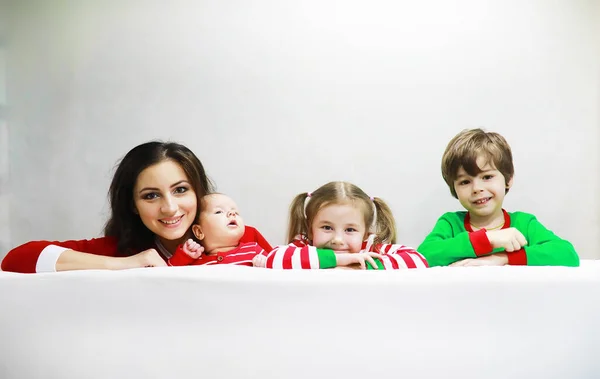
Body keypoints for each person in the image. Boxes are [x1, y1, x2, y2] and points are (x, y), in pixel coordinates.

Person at [1, 141, 272, 273]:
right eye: (151, 196)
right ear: (132, 204)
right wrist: (129, 263)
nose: (170, 208)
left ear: (198, 192)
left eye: (180, 190)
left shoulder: (240, 236)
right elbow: (17, 259)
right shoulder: (122, 250)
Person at [418, 128, 579, 267]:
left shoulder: (524, 223)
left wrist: (504, 259)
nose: (477, 188)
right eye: (465, 181)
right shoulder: (451, 224)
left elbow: (567, 254)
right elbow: (423, 256)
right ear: (454, 188)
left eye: (487, 177)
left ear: (508, 179)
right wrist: (487, 240)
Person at [254, 181, 428, 270]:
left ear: (365, 234)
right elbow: (273, 257)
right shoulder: (303, 247)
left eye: (350, 230)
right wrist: (340, 260)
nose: (337, 240)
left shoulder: (369, 248)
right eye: (327, 228)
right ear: (310, 229)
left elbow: (418, 260)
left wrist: (359, 266)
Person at [168, 193, 266, 267]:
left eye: (235, 212)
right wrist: (184, 256)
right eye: (219, 212)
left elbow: (278, 268)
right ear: (199, 231)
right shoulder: (195, 261)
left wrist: (265, 264)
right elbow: (168, 275)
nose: (232, 214)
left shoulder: (254, 250)